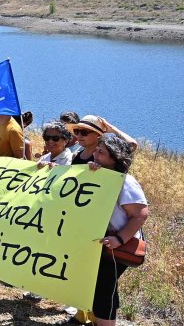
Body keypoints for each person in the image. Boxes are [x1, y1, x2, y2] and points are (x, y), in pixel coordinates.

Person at [88, 135, 149, 326]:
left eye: (101, 153)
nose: (96, 155)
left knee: (104, 288)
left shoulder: (125, 182)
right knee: (101, 286)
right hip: (102, 242)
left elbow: (141, 215)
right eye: (96, 151)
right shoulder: (98, 174)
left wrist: (119, 240)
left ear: (114, 158)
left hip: (116, 245)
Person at [69, 115, 138, 166]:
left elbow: (132, 145)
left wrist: (111, 129)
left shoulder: (106, 156)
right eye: (77, 131)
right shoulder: (75, 156)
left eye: (84, 132)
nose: (79, 136)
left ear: (98, 135)